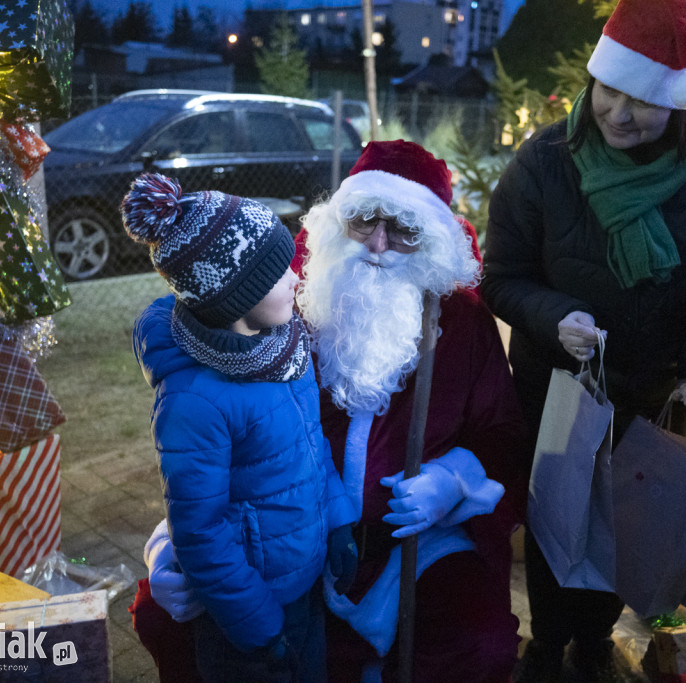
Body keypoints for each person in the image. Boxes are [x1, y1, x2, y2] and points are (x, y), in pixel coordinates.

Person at [133, 140, 528, 682]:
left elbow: (503, 432)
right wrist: (168, 547)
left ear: (433, 240)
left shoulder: (462, 321)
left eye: (404, 229)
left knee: (476, 643)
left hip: (417, 547)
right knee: (169, 614)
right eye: (365, 220)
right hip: (287, 531)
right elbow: (209, 448)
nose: (380, 246)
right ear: (338, 224)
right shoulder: (286, 299)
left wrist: (453, 479)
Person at [481, 0, 686, 680]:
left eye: (641, 100)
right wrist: (555, 316)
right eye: (608, 88)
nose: (617, 111)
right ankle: (546, 645)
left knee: (627, 528)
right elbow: (503, 276)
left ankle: (595, 641)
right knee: (557, 528)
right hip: (557, 386)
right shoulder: (545, 160)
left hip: (655, 387)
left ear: (678, 100)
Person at [120, 174, 358, 682]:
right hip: (249, 617)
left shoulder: (285, 347)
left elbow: (312, 451)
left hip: (304, 581)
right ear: (233, 296)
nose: (297, 277)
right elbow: (199, 531)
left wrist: (337, 521)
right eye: (278, 272)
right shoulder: (194, 402)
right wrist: (257, 627)